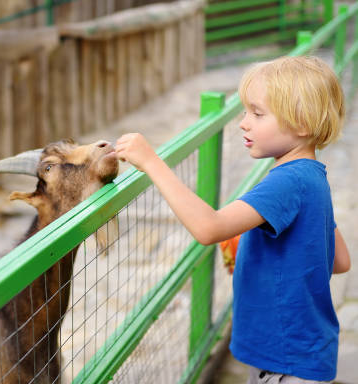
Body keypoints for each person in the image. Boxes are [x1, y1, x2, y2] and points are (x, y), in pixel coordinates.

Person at [113, 55, 351, 383]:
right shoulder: (313, 176)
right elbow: (339, 260)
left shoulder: (286, 182)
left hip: (284, 363)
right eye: (244, 111)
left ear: (301, 124)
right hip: (307, 350)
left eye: (257, 113)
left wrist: (153, 163)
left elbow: (208, 228)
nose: (243, 122)